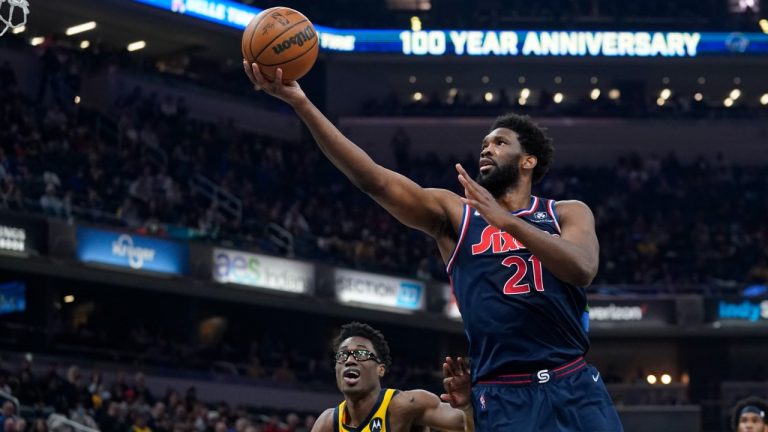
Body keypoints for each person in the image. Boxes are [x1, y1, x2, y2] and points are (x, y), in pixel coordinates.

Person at [243, 63, 622, 431]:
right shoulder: (455, 214)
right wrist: (302, 104)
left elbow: (582, 268)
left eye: (500, 143)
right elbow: (375, 181)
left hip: (571, 381)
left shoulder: (567, 212)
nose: (486, 149)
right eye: (484, 144)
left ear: (528, 161)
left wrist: (507, 221)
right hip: (501, 393)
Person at [309, 322, 473, 432]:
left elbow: (467, 426)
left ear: (380, 369)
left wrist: (467, 406)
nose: (350, 360)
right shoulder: (328, 423)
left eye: (360, 353)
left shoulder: (406, 405)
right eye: (342, 356)